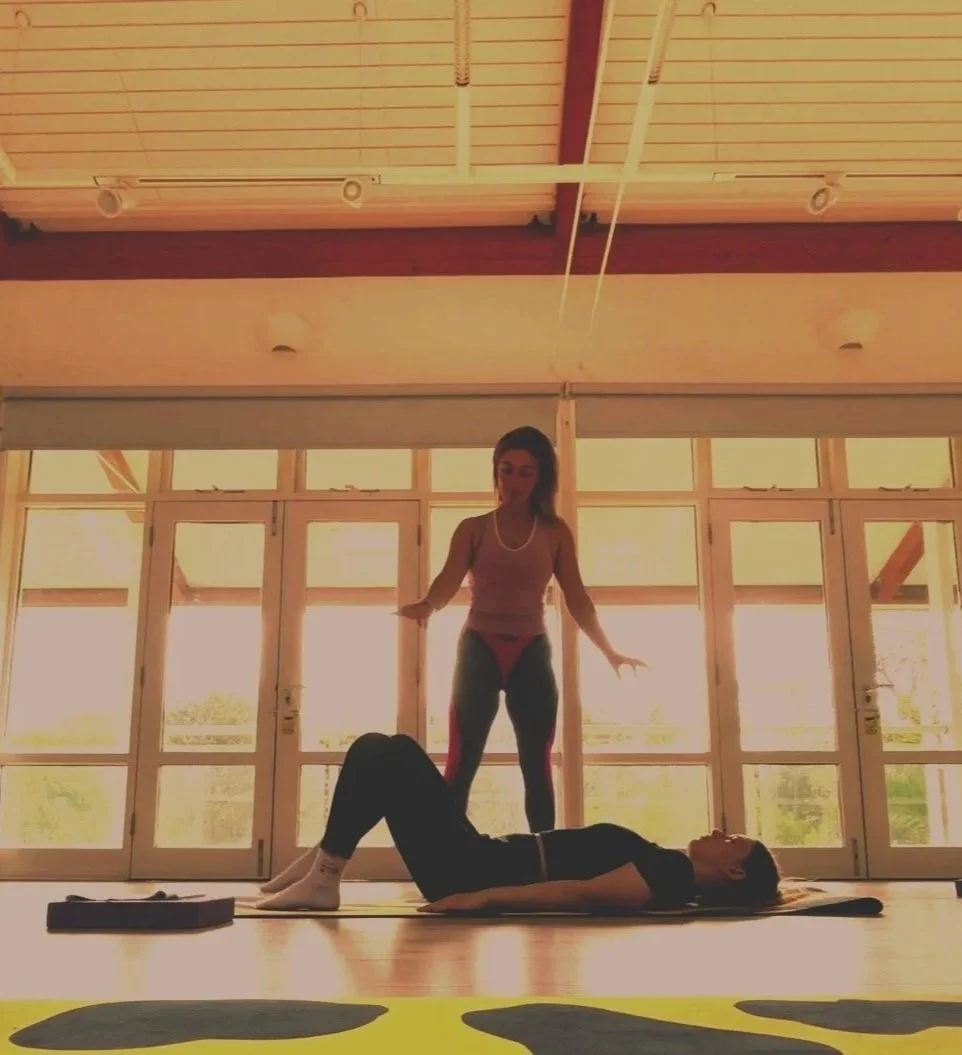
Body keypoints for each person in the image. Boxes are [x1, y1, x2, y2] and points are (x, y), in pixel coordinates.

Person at [396, 425, 645, 833]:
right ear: (495, 472)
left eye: (526, 472)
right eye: (506, 470)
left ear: (540, 477)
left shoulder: (555, 533)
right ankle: (444, 855)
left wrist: (610, 651)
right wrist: (428, 605)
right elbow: (447, 580)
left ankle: (544, 859)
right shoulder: (473, 528)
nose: (514, 481)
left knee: (536, 763)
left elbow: (578, 599)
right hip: (478, 648)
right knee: (462, 760)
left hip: (531, 651)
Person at [256, 732, 782, 913]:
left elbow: (577, 893)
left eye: (731, 841)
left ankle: (324, 874)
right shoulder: (669, 867)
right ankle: (323, 865)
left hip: (471, 871)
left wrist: (481, 899)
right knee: (382, 750)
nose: (720, 833)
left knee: (388, 753)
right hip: (478, 856)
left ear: (734, 871)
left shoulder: (670, 876)